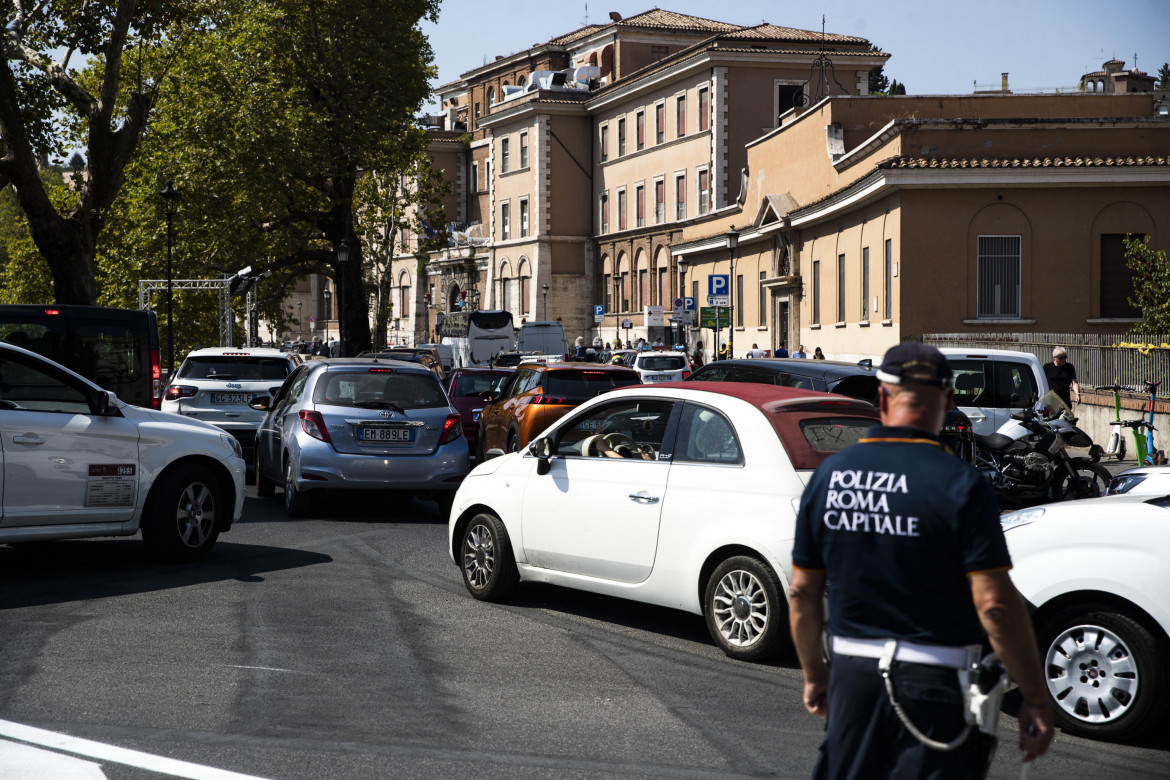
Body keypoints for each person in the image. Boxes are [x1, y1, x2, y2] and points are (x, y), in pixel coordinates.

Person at [789, 343, 1054, 780]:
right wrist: (1035, 698)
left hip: (854, 677)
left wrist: (816, 676)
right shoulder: (962, 485)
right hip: (936, 686)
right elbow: (995, 606)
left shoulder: (830, 476)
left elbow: (802, 592)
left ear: (880, 398)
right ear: (949, 403)